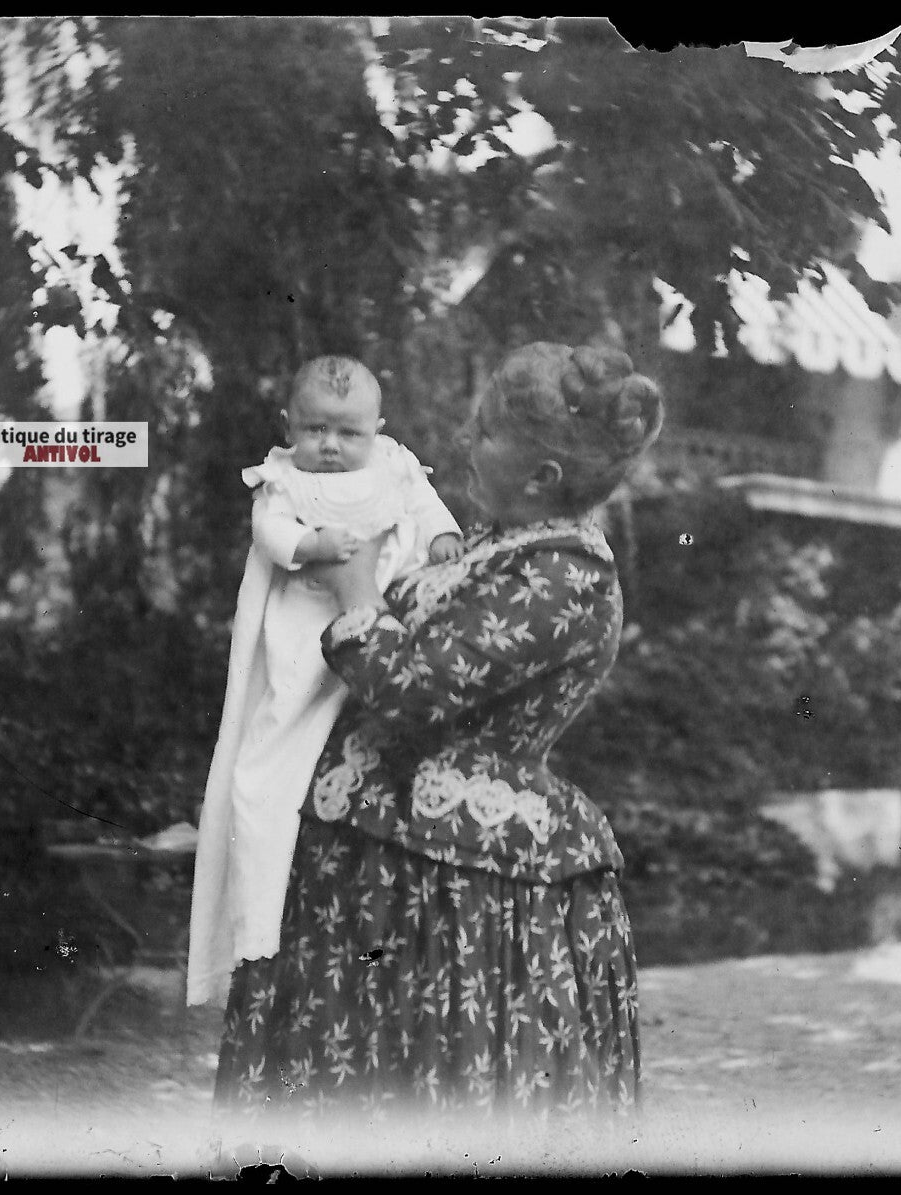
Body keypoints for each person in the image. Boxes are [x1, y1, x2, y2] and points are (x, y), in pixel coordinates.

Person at [209, 341, 665, 1132]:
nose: (464, 441)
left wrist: (356, 597)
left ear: (543, 477)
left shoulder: (566, 576)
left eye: (486, 432)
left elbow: (416, 686)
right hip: (377, 854)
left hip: (457, 879)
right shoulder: (492, 545)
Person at [187, 356, 464, 1008]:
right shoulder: (284, 475)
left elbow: (424, 503)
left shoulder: (394, 462)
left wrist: (444, 534)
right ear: (289, 425)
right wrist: (309, 545)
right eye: (315, 430)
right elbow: (269, 528)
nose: (331, 447)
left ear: (377, 429)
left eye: (348, 433)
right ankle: (257, 916)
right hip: (304, 618)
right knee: (272, 745)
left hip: (381, 608)